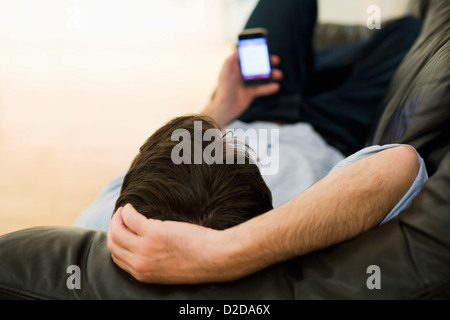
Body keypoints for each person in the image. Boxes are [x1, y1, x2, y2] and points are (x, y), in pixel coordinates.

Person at [75, 0, 426, 284]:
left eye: (210, 142)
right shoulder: (290, 230)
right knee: (407, 30)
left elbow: (157, 158)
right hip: (329, 127)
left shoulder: (109, 221)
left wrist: (220, 108)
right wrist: (225, 251)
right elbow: (402, 163)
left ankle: (311, 69)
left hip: (252, 103)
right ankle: (316, 69)